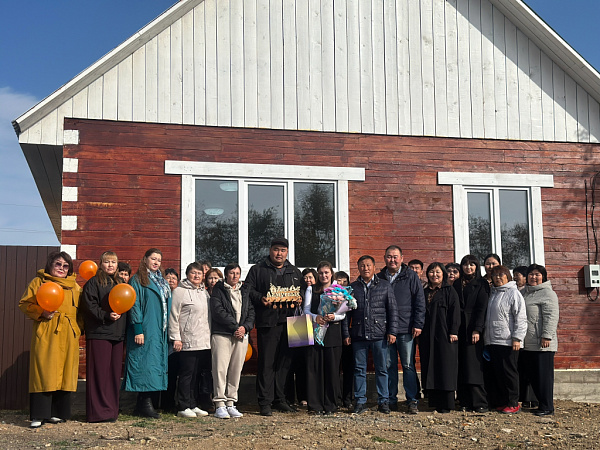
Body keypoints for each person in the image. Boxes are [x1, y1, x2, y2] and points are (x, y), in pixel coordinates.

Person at [18, 251, 83, 428]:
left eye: (66, 266)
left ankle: (56, 413)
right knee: (44, 371)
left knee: (65, 372)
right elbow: (24, 303)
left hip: (69, 333)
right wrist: (42, 312)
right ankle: (39, 415)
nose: (62, 268)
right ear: (50, 265)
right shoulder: (39, 282)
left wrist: (78, 328)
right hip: (47, 330)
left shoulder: (75, 286)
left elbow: (81, 311)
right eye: (58, 264)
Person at [245, 237, 302, 416]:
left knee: (284, 363)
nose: (279, 253)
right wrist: (260, 298)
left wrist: (300, 298)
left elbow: (301, 291)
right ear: (270, 250)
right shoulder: (258, 269)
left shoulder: (294, 271)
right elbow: (248, 289)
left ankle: (280, 399)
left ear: (287, 252)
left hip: (292, 323)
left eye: (283, 250)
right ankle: (265, 402)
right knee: (267, 363)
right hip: (268, 322)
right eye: (276, 249)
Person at [343, 255, 398, 414]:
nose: (365, 268)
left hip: (379, 334)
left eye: (368, 265)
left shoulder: (385, 286)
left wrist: (392, 331)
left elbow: (393, 310)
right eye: (362, 265)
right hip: (358, 334)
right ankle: (360, 401)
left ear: (374, 267)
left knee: (382, 369)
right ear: (358, 268)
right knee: (359, 369)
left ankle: (383, 401)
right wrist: (346, 333)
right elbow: (346, 314)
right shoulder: (352, 288)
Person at [122, 248, 172, 419]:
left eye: (159, 260)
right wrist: (138, 329)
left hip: (159, 330)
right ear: (145, 259)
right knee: (145, 365)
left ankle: (144, 404)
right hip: (145, 329)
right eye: (153, 258)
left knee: (154, 365)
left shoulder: (162, 282)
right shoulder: (138, 280)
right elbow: (134, 305)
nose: (156, 262)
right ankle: (144, 404)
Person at [377, 245, 425, 414]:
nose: (392, 260)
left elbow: (420, 301)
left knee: (408, 365)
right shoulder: (379, 278)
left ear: (402, 258)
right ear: (385, 258)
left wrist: (418, 323)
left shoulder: (411, 276)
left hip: (406, 328)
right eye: (389, 256)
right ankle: (391, 399)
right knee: (388, 365)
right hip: (385, 329)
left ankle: (412, 399)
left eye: (395, 256)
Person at [81, 251, 127, 423]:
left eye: (113, 262)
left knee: (114, 374)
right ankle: (97, 413)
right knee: (99, 374)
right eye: (107, 262)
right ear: (100, 264)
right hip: (99, 332)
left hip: (117, 334)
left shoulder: (120, 283)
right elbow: (89, 306)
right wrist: (106, 315)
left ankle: (111, 411)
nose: (110, 265)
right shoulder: (93, 282)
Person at [210, 263, 255, 419]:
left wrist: (245, 328)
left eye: (237, 273)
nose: (235, 276)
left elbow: (250, 311)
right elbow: (218, 311)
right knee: (220, 370)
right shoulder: (218, 289)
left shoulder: (245, 290)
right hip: (222, 334)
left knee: (236, 370)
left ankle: (231, 402)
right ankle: (220, 404)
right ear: (226, 275)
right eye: (231, 273)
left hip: (241, 335)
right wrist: (235, 327)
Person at [168, 262, 211, 418]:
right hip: (187, 340)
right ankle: (183, 405)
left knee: (196, 374)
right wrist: (176, 338)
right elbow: (174, 316)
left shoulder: (204, 292)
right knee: (186, 374)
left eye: (199, 273)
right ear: (187, 274)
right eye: (193, 273)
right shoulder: (180, 292)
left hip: (203, 341)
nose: (196, 276)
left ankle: (193, 404)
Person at [483, 265, 527, 414]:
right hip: (494, 340)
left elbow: (521, 317)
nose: (498, 278)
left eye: (501, 275)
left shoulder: (513, 293)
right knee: (499, 374)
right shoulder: (493, 293)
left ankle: (514, 403)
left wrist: (517, 338)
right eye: (495, 275)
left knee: (509, 373)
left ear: (507, 276)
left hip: (508, 341)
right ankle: (503, 401)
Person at [304, 261, 345, 415]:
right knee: (315, 369)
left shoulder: (338, 290)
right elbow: (306, 310)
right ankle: (315, 405)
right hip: (315, 332)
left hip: (333, 333)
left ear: (331, 273)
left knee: (332, 369)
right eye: (321, 273)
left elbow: (343, 313)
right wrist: (315, 317)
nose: (323, 275)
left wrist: (334, 316)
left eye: (326, 272)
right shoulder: (311, 289)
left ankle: (331, 405)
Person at [419, 262, 460, 413]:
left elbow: (455, 312)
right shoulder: (424, 292)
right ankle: (434, 401)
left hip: (445, 334)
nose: (434, 275)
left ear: (443, 274)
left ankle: (447, 403)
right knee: (431, 365)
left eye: (438, 272)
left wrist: (453, 331)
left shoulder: (449, 291)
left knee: (445, 367)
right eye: (431, 272)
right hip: (427, 335)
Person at [520, 264, 559, 416]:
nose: (533, 277)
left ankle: (547, 407)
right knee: (533, 376)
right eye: (531, 274)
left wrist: (546, 335)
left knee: (544, 377)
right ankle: (541, 404)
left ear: (543, 276)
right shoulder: (525, 293)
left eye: (537, 274)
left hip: (542, 343)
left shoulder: (548, 293)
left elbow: (551, 316)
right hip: (528, 342)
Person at [454, 255, 489, 413]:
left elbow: (482, 308)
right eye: (465, 265)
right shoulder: (457, 283)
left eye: (472, 265)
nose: (468, 268)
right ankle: (464, 400)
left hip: (473, 328)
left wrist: (477, 329)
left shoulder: (481, 284)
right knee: (461, 365)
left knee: (473, 365)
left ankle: (479, 402)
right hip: (459, 328)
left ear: (476, 267)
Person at [335, 270, 354, 408]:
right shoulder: (329, 296)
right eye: (339, 281)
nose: (342, 284)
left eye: (345, 282)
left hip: (349, 337)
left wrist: (347, 334)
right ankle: (335, 398)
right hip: (334, 335)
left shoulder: (351, 297)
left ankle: (347, 399)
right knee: (334, 369)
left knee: (349, 369)